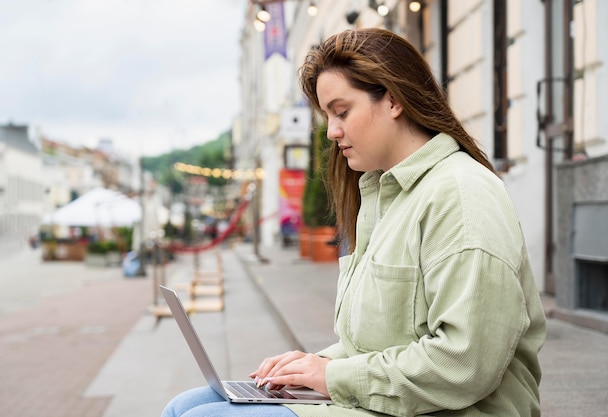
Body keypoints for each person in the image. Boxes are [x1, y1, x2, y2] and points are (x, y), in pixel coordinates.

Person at [161, 27, 546, 417]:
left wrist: (330, 376)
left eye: (342, 112)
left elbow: (465, 364)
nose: (332, 132)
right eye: (328, 116)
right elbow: (375, 343)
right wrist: (306, 368)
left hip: (453, 408)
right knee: (185, 406)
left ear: (393, 100)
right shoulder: (383, 196)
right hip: (396, 402)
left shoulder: (462, 196)